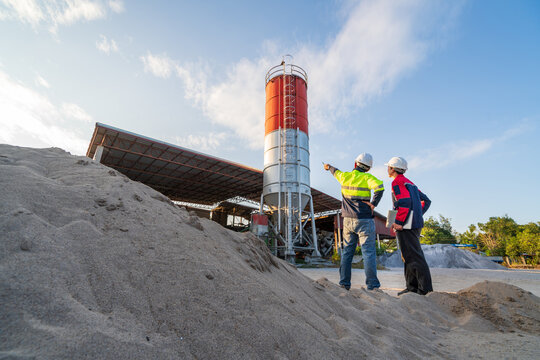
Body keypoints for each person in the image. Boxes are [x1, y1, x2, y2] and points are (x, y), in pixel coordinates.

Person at [324, 153, 384, 291]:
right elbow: (380, 188)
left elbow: (335, 171)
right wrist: (373, 203)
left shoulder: (345, 176)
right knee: (368, 253)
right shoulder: (367, 177)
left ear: (355, 164)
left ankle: (344, 283)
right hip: (364, 220)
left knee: (347, 253)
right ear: (368, 168)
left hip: (348, 221)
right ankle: (373, 286)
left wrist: (328, 167)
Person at [385, 156, 433, 295]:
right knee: (408, 256)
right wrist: (417, 214)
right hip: (414, 223)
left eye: (388, 167)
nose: (387, 169)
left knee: (414, 257)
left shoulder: (397, 182)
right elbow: (427, 201)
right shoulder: (410, 183)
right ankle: (412, 287)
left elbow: (404, 202)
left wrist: (399, 223)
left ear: (392, 168)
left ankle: (425, 290)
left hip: (407, 225)